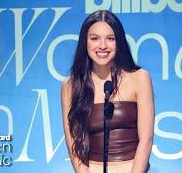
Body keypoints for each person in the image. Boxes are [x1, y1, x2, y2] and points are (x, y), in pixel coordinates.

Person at [61, 10, 154, 173]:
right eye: (95, 38)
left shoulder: (140, 78)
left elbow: (146, 139)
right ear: (85, 42)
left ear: (119, 42)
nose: (102, 46)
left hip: (134, 168)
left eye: (110, 39)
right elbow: (73, 146)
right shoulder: (70, 86)